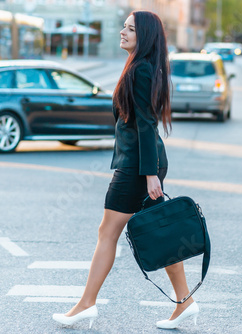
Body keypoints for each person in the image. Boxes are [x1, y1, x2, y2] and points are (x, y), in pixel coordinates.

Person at [52, 10, 199, 330]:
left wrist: (148, 174)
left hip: (136, 166)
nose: (122, 32)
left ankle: (86, 304)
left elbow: (146, 123)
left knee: (107, 233)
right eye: (123, 26)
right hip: (141, 163)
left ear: (143, 36)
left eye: (130, 29)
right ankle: (185, 301)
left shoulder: (141, 70)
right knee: (159, 233)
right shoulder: (139, 66)